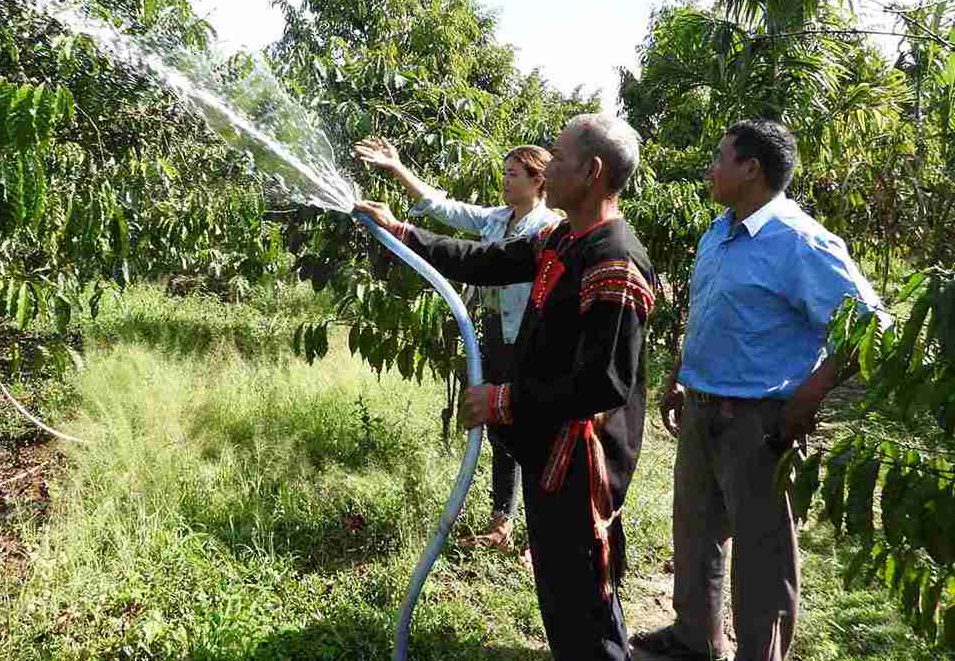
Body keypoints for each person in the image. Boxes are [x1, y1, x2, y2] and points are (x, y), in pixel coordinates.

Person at [356, 114, 655, 661]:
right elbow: (488, 260)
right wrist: (403, 232)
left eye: (558, 159)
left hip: (579, 462)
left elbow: (603, 384)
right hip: (547, 450)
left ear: (590, 172)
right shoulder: (562, 238)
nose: (548, 168)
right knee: (560, 591)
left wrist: (506, 399)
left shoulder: (613, 261)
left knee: (582, 595)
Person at [631, 120, 882, 661]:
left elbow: (870, 326)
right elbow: (711, 313)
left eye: (721, 156)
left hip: (761, 421)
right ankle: (695, 638)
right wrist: (681, 374)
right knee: (696, 534)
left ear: (751, 168)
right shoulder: (717, 233)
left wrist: (810, 395)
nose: (710, 167)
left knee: (762, 552)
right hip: (702, 409)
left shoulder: (799, 240)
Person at [353, 136, 557, 559]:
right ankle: (502, 520)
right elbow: (445, 208)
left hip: (531, 339)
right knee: (500, 426)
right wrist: (397, 169)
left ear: (538, 182)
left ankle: (541, 532)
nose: (504, 181)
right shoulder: (497, 220)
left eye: (513, 174)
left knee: (533, 430)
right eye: (503, 172)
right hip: (495, 334)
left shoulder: (548, 229)